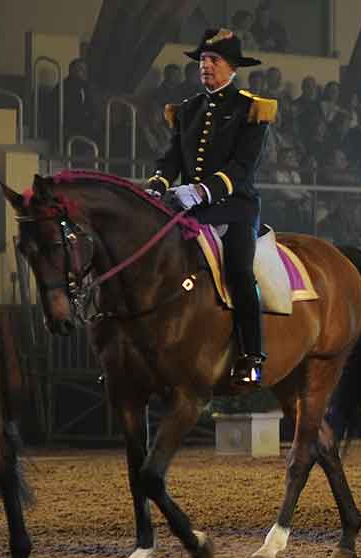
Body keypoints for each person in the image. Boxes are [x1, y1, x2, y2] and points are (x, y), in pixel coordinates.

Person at [144, 28, 277, 387]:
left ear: (232, 67)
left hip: (235, 208)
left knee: (238, 271)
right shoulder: (187, 110)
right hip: (190, 208)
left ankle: (251, 355)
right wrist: (158, 184)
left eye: (213, 60)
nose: (206, 65)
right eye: (203, 59)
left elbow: (242, 166)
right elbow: (171, 157)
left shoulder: (250, 108)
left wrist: (202, 190)